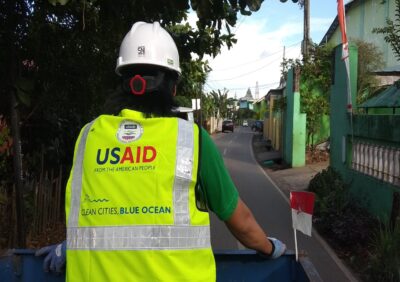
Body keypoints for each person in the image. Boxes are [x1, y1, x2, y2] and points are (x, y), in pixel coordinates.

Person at [36, 21, 286, 281]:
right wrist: (268, 248)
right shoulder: (192, 139)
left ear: (123, 82)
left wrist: (72, 245)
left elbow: (106, 207)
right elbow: (241, 222)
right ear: (173, 87)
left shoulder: (88, 137)